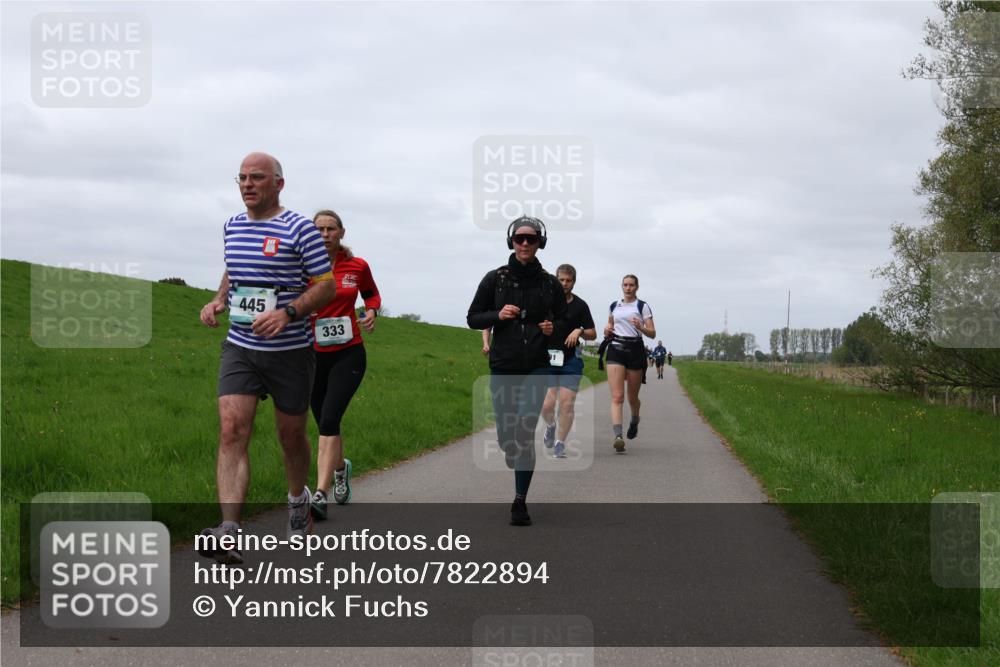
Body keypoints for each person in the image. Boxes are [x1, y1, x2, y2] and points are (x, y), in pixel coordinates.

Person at [198, 152, 336, 564]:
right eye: (241, 178)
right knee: (231, 430)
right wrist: (220, 298)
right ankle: (229, 531)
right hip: (241, 346)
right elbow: (233, 268)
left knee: (290, 436)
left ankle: (297, 500)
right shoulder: (232, 226)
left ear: (278, 183)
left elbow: (325, 286)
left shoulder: (300, 229)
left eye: (256, 177)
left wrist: (288, 312)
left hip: (290, 351)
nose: (247, 184)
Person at [467, 216, 567, 526]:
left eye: (531, 239)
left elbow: (564, 321)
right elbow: (473, 318)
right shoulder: (494, 279)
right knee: (506, 435)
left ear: (541, 243)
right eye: (520, 238)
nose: (525, 244)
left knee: (524, 430)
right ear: (511, 241)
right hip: (504, 365)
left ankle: (520, 501)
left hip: (537, 365)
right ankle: (508, 448)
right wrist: (497, 314)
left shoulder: (549, 283)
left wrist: (554, 328)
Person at [307, 209, 381, 520]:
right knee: (324, 420)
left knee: (329, 419)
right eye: (319, 230)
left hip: (348, 353)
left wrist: (372, 311)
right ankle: (340, 468)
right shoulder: (302, 266)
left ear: (342, 232)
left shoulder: (357, 265)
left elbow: (372, 294)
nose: (325, 235)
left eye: (330, 229)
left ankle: (320, 494)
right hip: (310, 355)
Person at [540, 264, 596, 459]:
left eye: (568, 280)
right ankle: (551, 425)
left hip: (571, 360)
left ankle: (560, 443)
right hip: (547, 359)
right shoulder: (545, 302)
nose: (564, 284)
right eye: (561, 280)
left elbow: (592, 332)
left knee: (566, 404)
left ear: (574, 281)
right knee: (546, 406)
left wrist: (579, 330)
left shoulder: (581, 305)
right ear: (555, 280)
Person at [602, 274, 655, 454]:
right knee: (617, 397)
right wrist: (607, 329)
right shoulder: (614, 306)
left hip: (635, 350)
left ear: (637, 287)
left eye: (631, 285)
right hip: (616, 348)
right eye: (625, 285)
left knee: (632, 398)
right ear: (621, 286)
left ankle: (635, 419)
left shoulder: (642, 306)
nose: (628, 288)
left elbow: (652, 333)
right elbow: (610, 325)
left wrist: (641, 327)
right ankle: (618, 437)